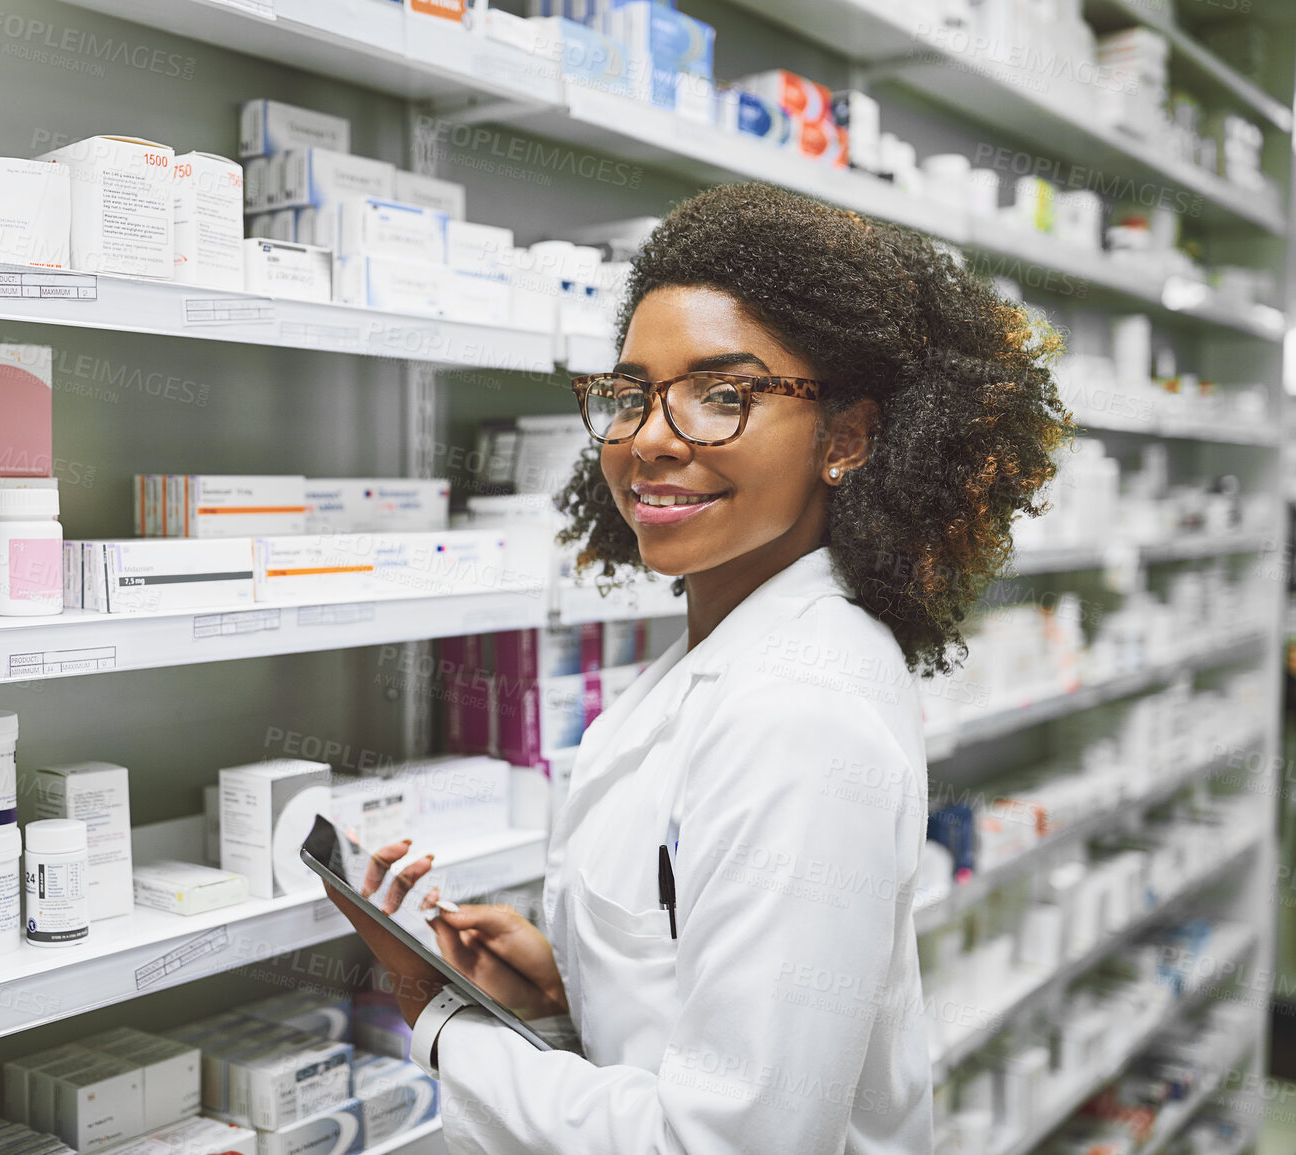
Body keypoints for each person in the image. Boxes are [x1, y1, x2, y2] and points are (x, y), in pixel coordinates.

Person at [325, 182, 1070, 1154]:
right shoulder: (719, 657)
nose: (651, 440)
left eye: (725, 395)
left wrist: (438, 1015)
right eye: (632, 395)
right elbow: (696, 1003)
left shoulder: (801, 712)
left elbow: (731, 1145)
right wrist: (566, 989)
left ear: (847, 437)